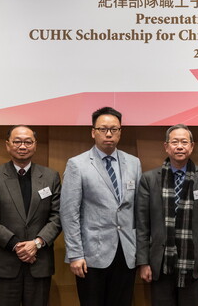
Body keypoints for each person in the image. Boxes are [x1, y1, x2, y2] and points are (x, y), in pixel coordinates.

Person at [60, 107, 142, 306]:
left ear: (120, 132)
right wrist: (75, 254)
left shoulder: (134, 163)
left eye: (114, 129)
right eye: (103, 129)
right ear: (93, 132)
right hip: (91, 255)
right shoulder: (77, 164)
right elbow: (69, 213)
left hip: (126, 251)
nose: (108, 134)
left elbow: (138, 209)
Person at [0, 125, 61, 306]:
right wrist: (18, 246)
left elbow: (57, 216)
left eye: (27, 142)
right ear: (8, 145)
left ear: (35, 145)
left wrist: (37, 243)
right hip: (4, 265)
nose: (22, 146)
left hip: (39, 263)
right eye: (17, 141)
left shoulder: (50, 177)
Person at [136, 124, 198, 306]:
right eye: (175, 142)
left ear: (192, 146)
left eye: (184, 142)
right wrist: (143, 262)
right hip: (159, 261)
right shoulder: (149, 179)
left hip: (194, 262)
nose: (179, 146)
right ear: (166, 146)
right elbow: (142, 224)